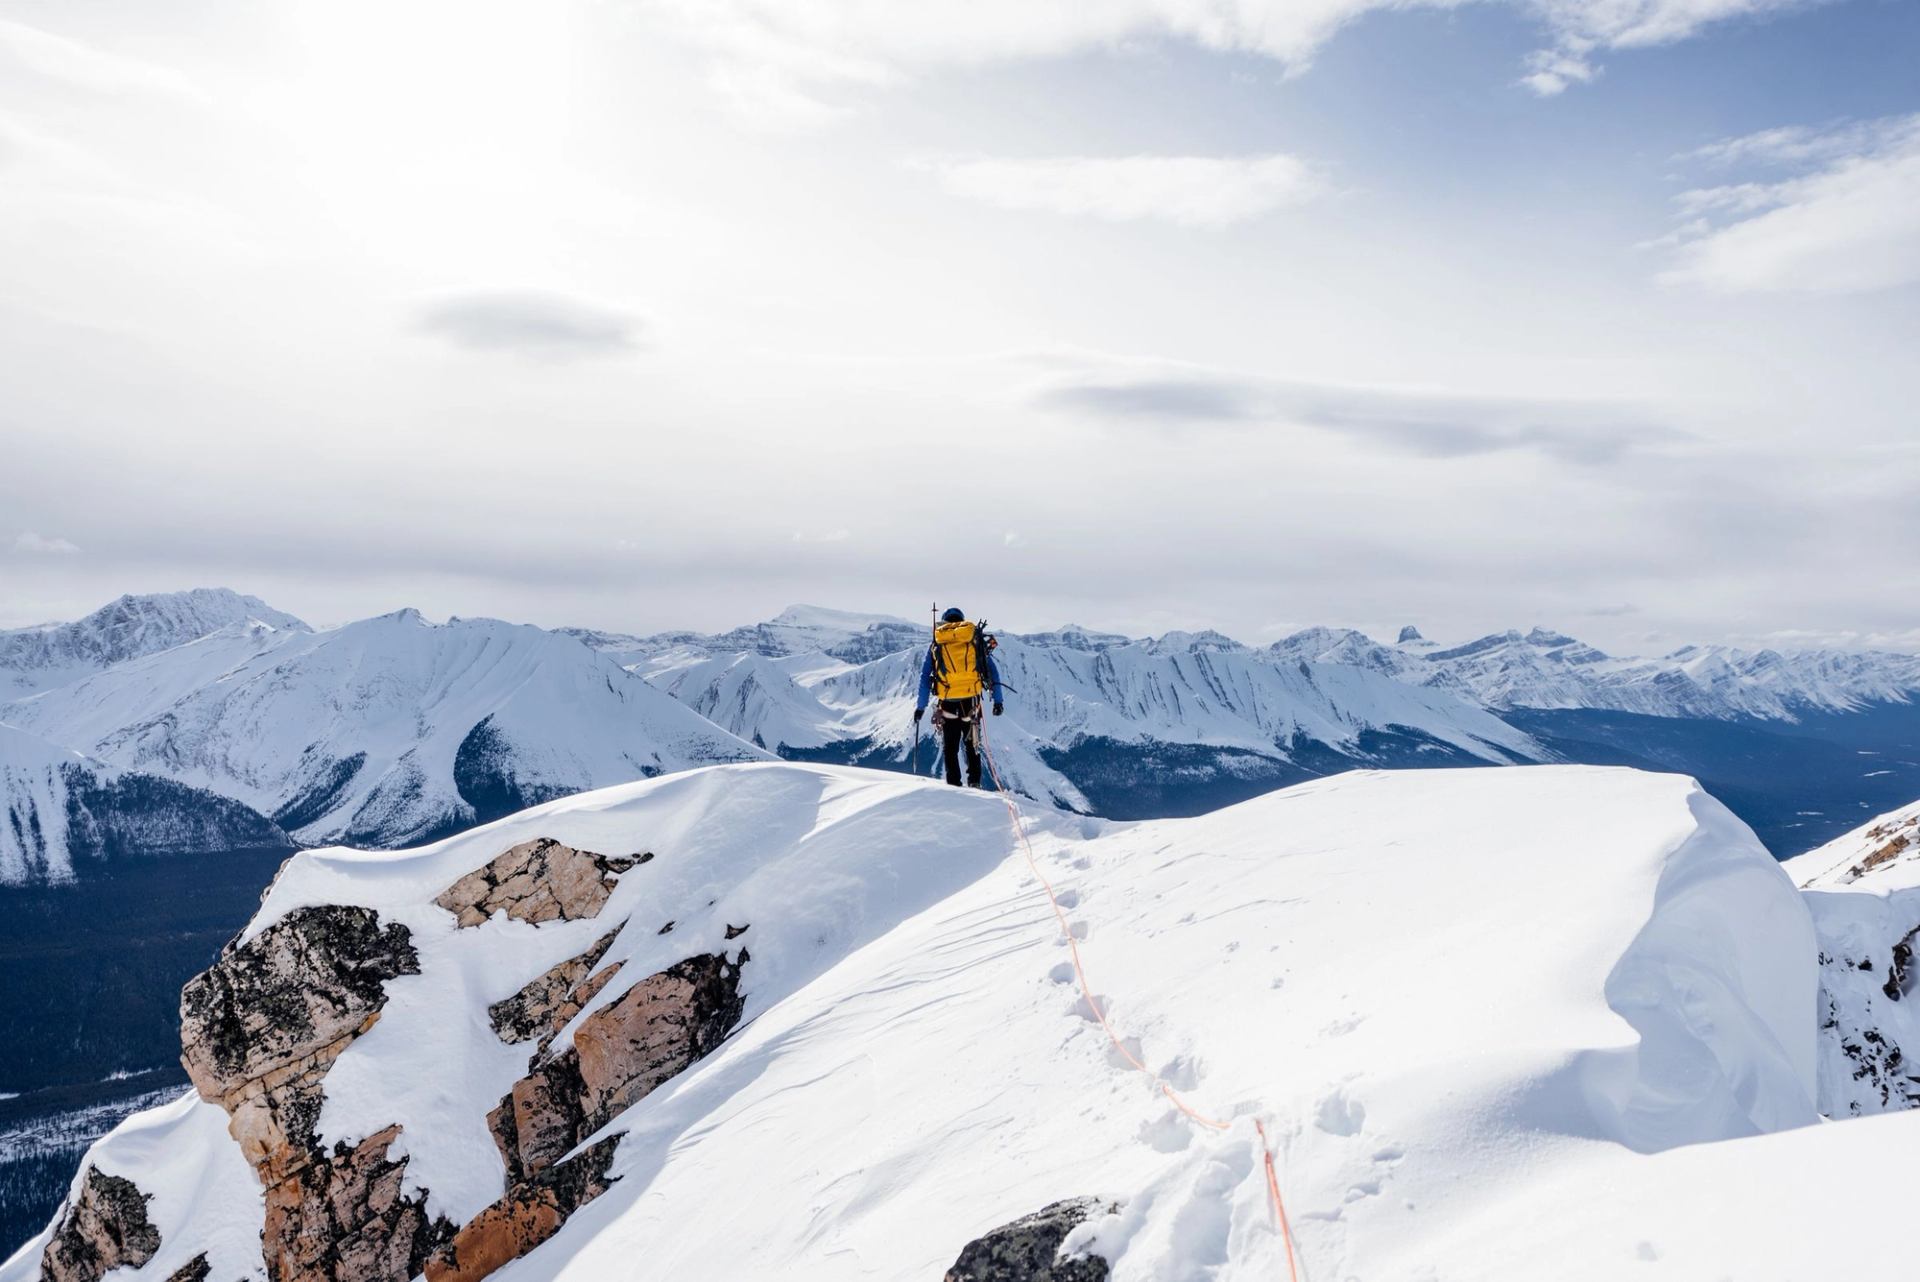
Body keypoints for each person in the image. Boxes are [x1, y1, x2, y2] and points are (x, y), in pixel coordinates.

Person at [912, 607, 1005, 788]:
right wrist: (998, 701)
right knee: (972, 745)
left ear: (945, 623)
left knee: (950, 748)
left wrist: (920, 707)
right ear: (961, 621)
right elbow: (992, 672)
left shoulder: (937, 644)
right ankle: (974, 782)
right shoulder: (973, 641)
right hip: (970, 702)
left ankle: (954, 785)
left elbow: (924, 678)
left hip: (947, 704)